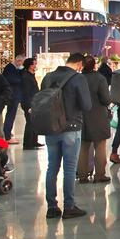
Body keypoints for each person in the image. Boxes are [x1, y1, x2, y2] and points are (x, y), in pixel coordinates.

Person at [40, 52, 92, 220]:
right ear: (79, 64)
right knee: (69, 169)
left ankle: (52, 207)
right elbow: (87, 105)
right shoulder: (78, 78)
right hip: (71, 127)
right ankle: (69, 206)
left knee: (52, 167)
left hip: (50, 127)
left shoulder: (48, 77)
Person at [76, 56, 112, 184]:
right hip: (98, 116)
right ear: (94, 65)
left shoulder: (77, 78)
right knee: (100, 146)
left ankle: (82, 176)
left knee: (83, 147)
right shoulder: (99, 78)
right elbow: (106, 99)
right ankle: (100, 175)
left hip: (81, 117)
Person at [1, 53, 25, 142]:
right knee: (10, 114)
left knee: (11, 114)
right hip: (12, 95)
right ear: (18, 61)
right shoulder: (10, 68)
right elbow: (12, 80)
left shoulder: (14, 68)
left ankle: (7, 131)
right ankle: (7, 135)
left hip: (14, 94)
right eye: (21, 62)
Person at [19, 58, 42, 149]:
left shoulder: (31, 75)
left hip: (34, 101)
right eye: (34, 64)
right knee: (30, 122)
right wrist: (29, 105)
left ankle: (34, 140)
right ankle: (28, 143)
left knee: (34, 122)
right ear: (30, 65)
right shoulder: (26, 77)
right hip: (29, 102)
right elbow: (27, 92)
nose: (35, 66)